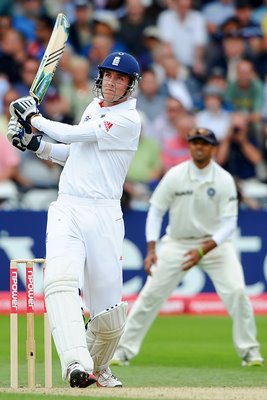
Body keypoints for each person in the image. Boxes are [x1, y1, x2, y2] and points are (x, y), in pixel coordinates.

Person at [7, 51, 142, 388]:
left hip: (104, 214)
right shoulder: (93, 108)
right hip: (67, 207)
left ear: (130, 85)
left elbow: (71, 136)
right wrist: (35, 144)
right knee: (59, 281)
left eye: (120, 78)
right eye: (108, 75)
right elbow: (75, 153)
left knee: (109, 316)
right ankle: (76, 365)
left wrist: (34, 119)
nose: (111, 82)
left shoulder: (129, 120)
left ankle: (101, 366)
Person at [111, 127, 264, 368]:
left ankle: (250, 352)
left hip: (214, 246)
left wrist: (202, 250)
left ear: (213, 148)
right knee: (150, 295)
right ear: (190, 146)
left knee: (237, 293)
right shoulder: (175, 175)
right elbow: (156, 210)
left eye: (204, 143)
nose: (199, 147)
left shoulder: (223, 179)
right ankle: (121, 352)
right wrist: (151, 249)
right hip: (177, 243)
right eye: (194, 143)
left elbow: (229, 224)